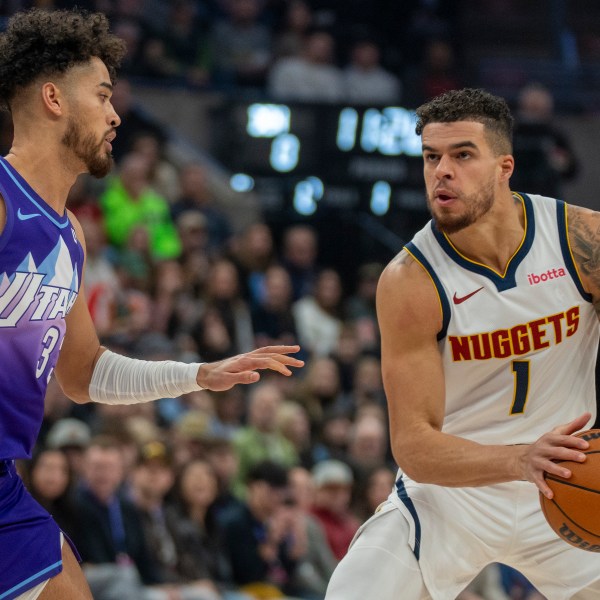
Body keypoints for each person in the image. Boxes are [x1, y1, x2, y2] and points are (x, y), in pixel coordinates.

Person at [0, 8, 304, 599]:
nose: (116, 115)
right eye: (103, 96)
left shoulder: (69, 237)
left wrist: (198, 374)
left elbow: (86, 375)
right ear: (54, 98)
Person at [325, 87, 600, 599]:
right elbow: (414, 446)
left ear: (504, 166)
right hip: (453, 495)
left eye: (461, 155)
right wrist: (520, 459)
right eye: (431, 157)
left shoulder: (581, 241)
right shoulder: (410, 280)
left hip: (569, 480)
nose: (441, 171)